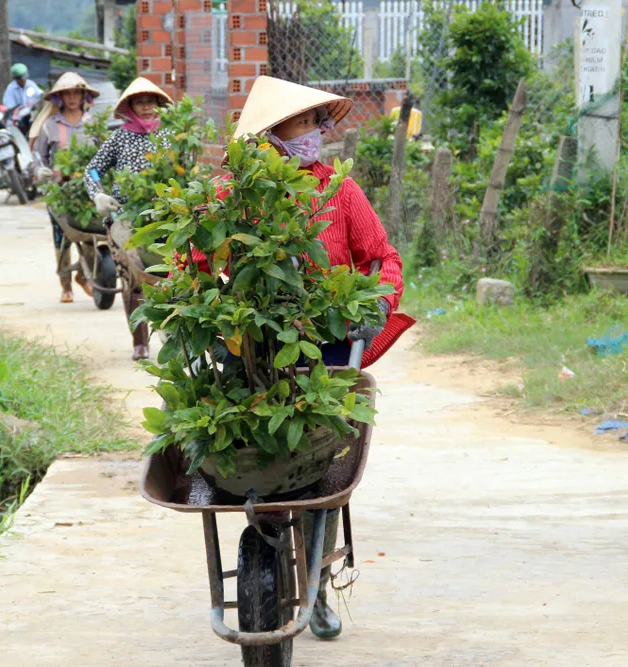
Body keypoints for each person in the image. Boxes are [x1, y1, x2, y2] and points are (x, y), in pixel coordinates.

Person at [219, 75, 407, 640]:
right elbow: (197, 257)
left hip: (325, 349)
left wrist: (377, 301)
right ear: (273, 135)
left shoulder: (339, 192)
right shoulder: (237, 194)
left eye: (320, 123)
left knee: (322, 466)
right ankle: (276, 556)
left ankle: (319, 584)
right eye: (306, 123)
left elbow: (384, 258)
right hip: (256, 353)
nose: (319, 134)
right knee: (259, 457)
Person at [84, 77, 173, 361]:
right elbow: (93, 170)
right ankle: (140, 341)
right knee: (133, 279)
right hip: (126, 217)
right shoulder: (120, 137)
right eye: (139, 102)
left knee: (170, 275)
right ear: (131, 107)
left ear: (159, 105)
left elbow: (188, 171)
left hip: (164, 215)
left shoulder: (171, 136)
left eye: (150, 102)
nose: (146, 107)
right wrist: (98, 195)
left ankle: (173, 334)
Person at [28, 72, 100, 303]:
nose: (72, 97)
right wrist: (39, 170)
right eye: (67, 93)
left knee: (91, 235)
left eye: (76, 92)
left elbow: (103, 156)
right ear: (60, 97)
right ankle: (65, 285)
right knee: (62, 237)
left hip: (86, 191)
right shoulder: (49, 125)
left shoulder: (92, 124)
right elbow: (37, 155)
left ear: (83, 96)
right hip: (58, 191)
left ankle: (84, 276)